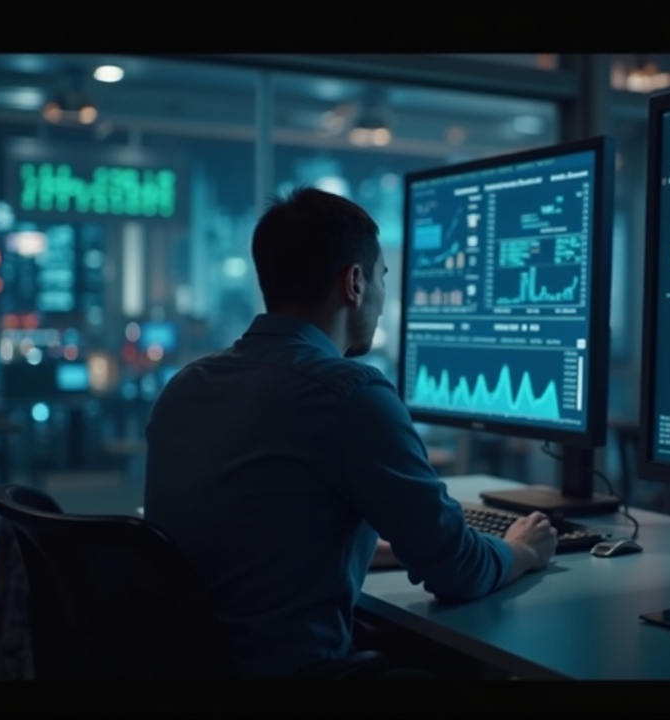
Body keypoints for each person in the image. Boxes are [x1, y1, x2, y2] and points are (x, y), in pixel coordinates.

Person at [143, 187, 558, 680]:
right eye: (384, 279)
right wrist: (522, 550)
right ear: (355, 283)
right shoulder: (350, 394)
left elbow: (258, 541)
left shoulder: (186, 385)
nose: (383, 302)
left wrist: (394, 547)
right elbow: (458, 571)